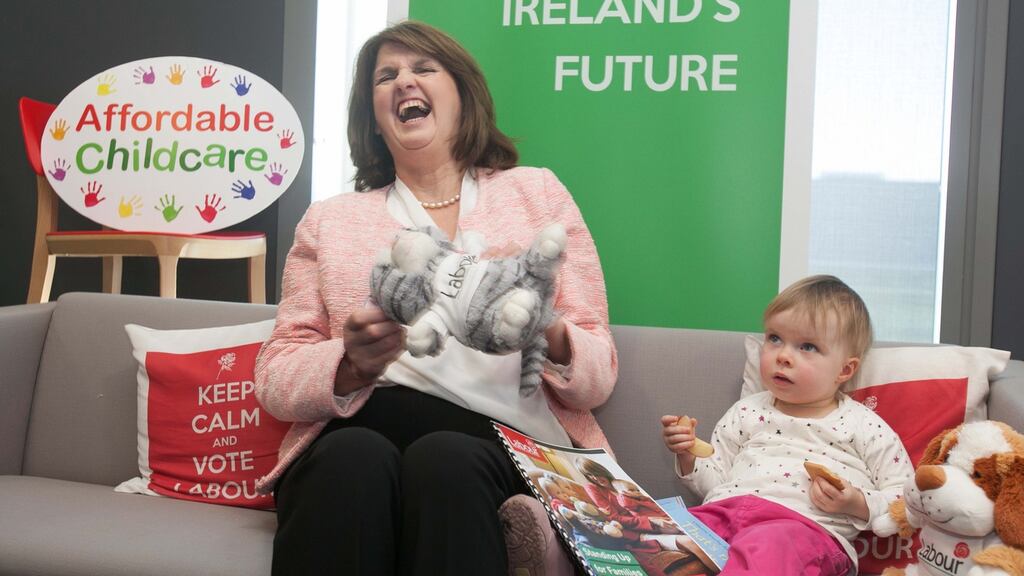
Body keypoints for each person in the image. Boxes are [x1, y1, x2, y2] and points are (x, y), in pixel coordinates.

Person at [253, 20, 617, 576]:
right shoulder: (330, 220)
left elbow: (598, 375)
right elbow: (276, 378)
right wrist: (347, 365)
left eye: (424, 69)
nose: (404, 83)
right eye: (386, 76)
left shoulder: (536, 192)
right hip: (362, 428)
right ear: (373, 118)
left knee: (444, 460)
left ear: (463, 97)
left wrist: (547, 326)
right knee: (349, 460)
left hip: (499, 440)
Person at [660, 275, 913, 575]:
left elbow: (907, 499)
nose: (783, 356)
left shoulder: (864, 425)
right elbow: (715, 485)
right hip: (723, 515)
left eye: (807, 346)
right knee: (660, 535)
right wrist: (688, 454)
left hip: (803, 531)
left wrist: (856, 503)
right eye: (774, 338)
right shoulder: (746, 411)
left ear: (845, 369)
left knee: (769, 544)